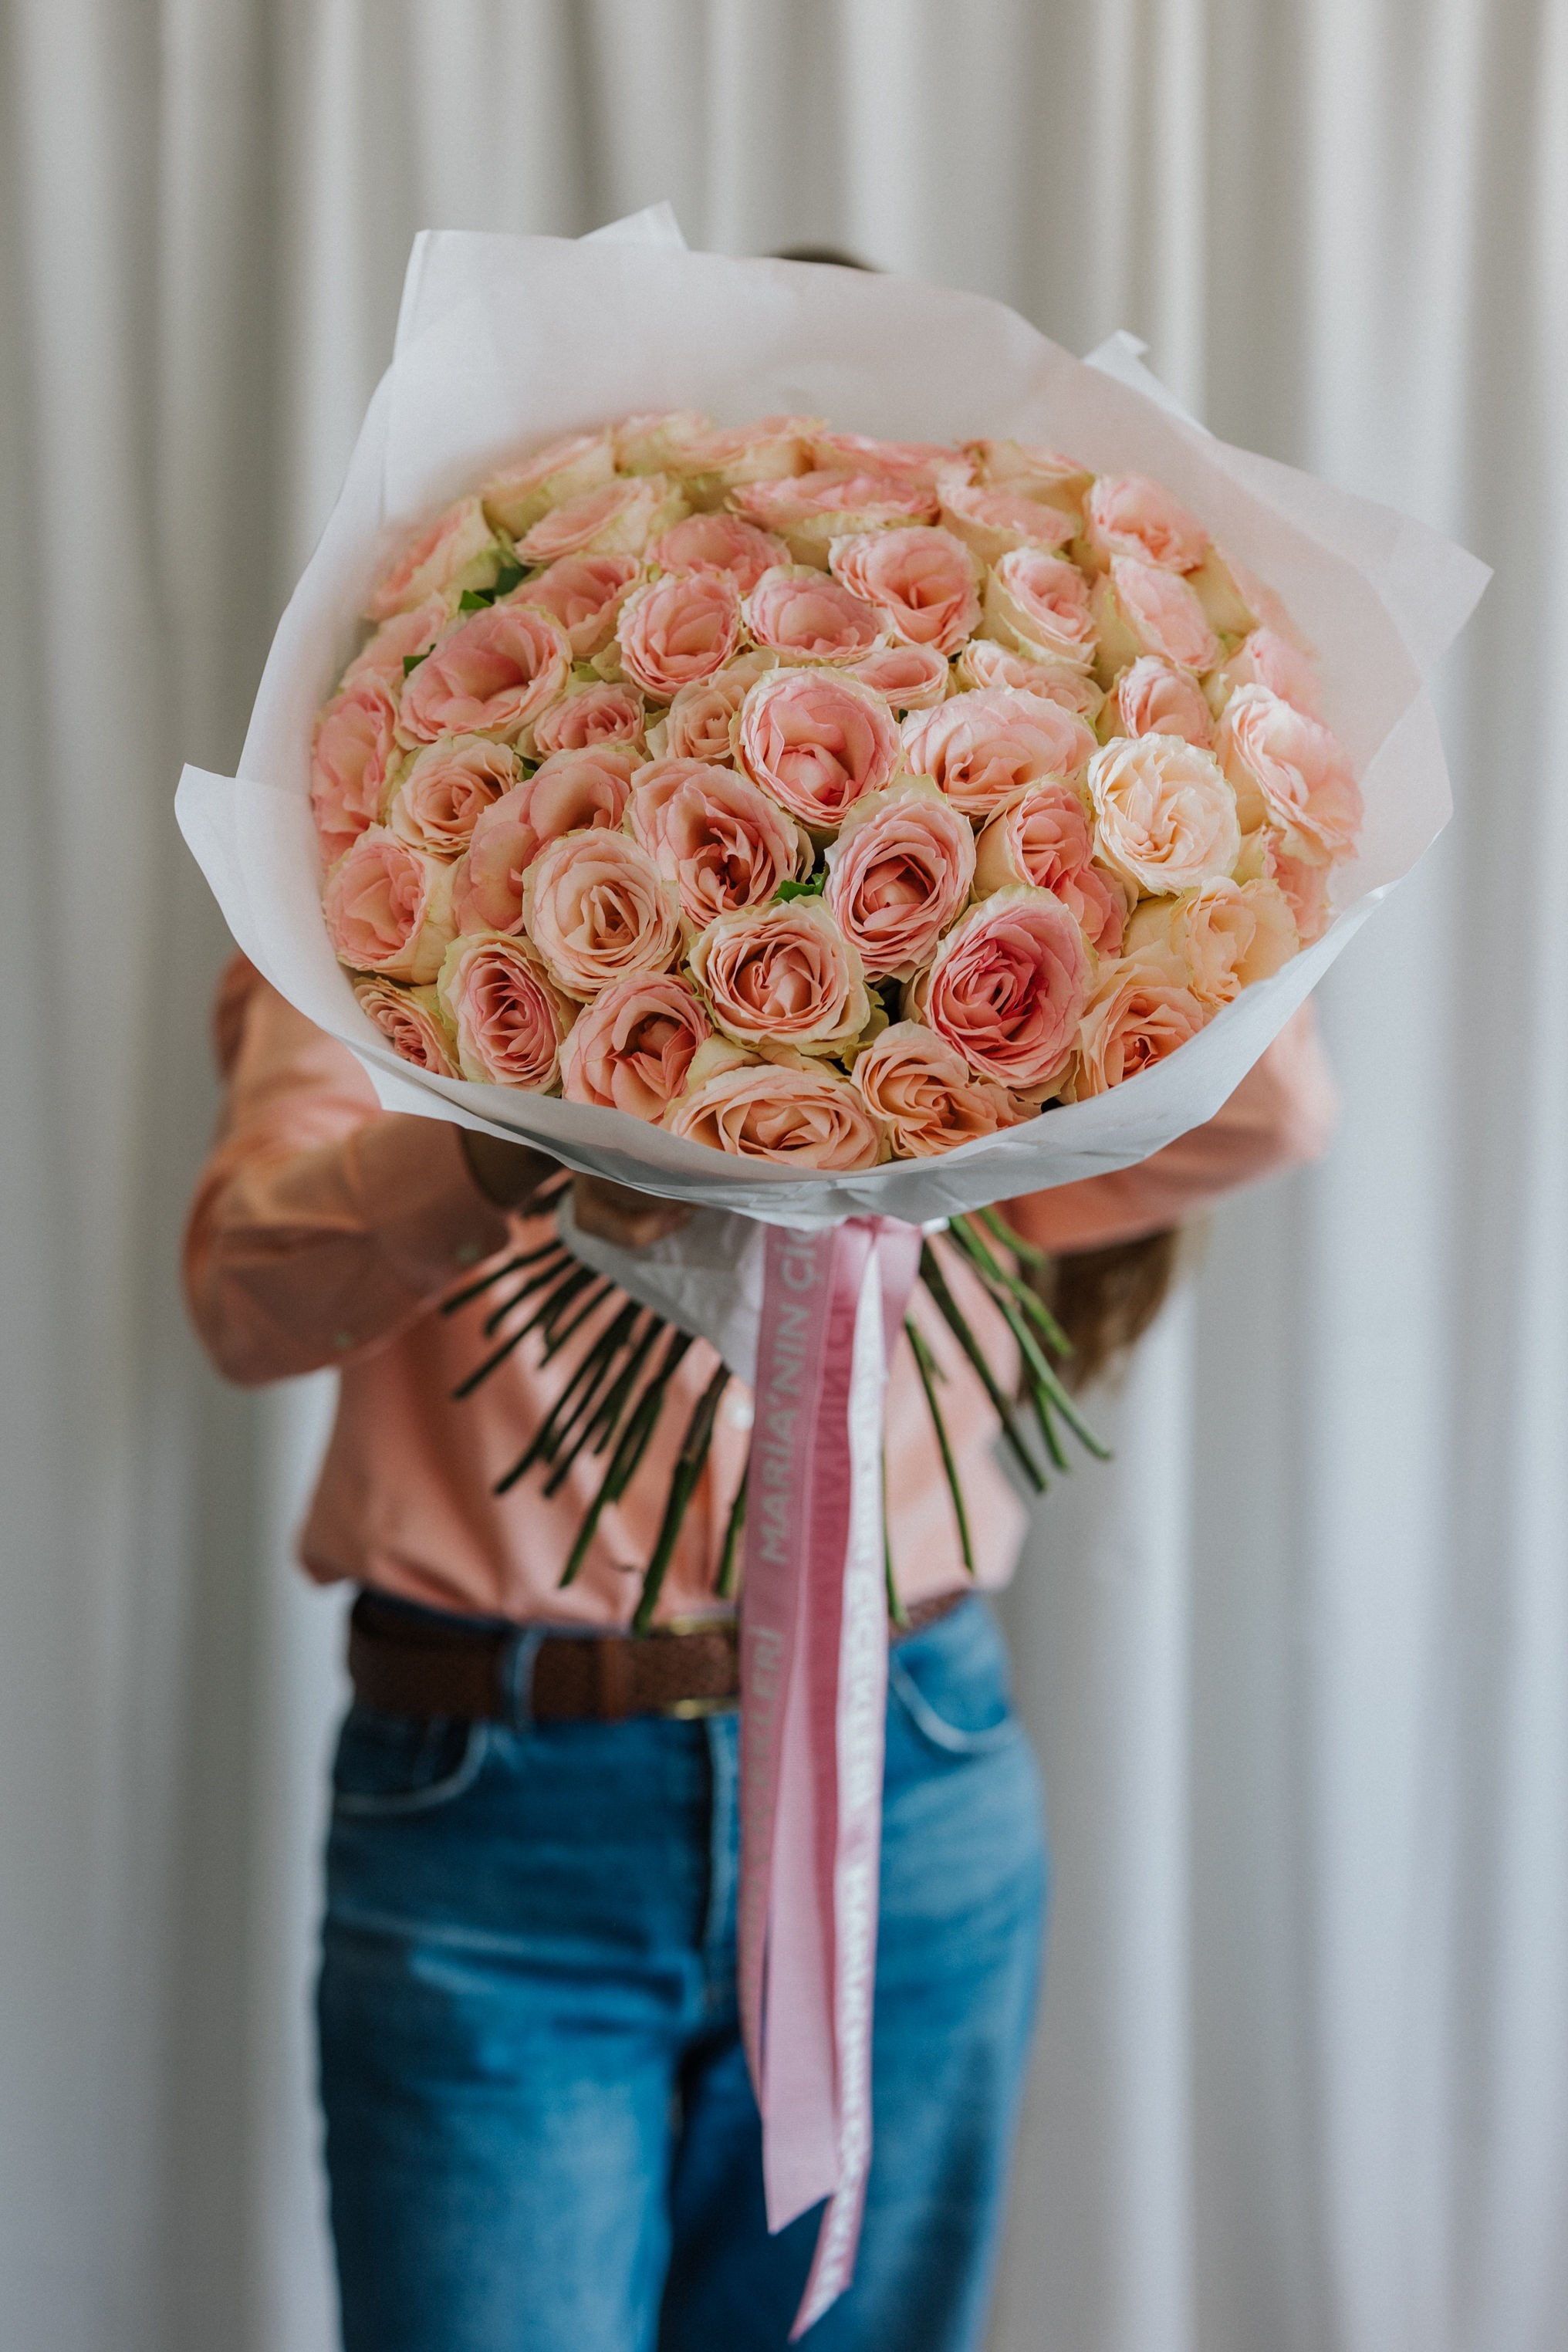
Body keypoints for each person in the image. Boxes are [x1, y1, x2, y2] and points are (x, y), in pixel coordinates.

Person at [183, 950, 1335, 2350]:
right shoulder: (366, 895)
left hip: (904, 1774)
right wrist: (513, 1134)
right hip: (503, 1809)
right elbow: (250, 1290)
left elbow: (1267, 1108)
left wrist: (1047, 840)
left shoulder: (966, 901)